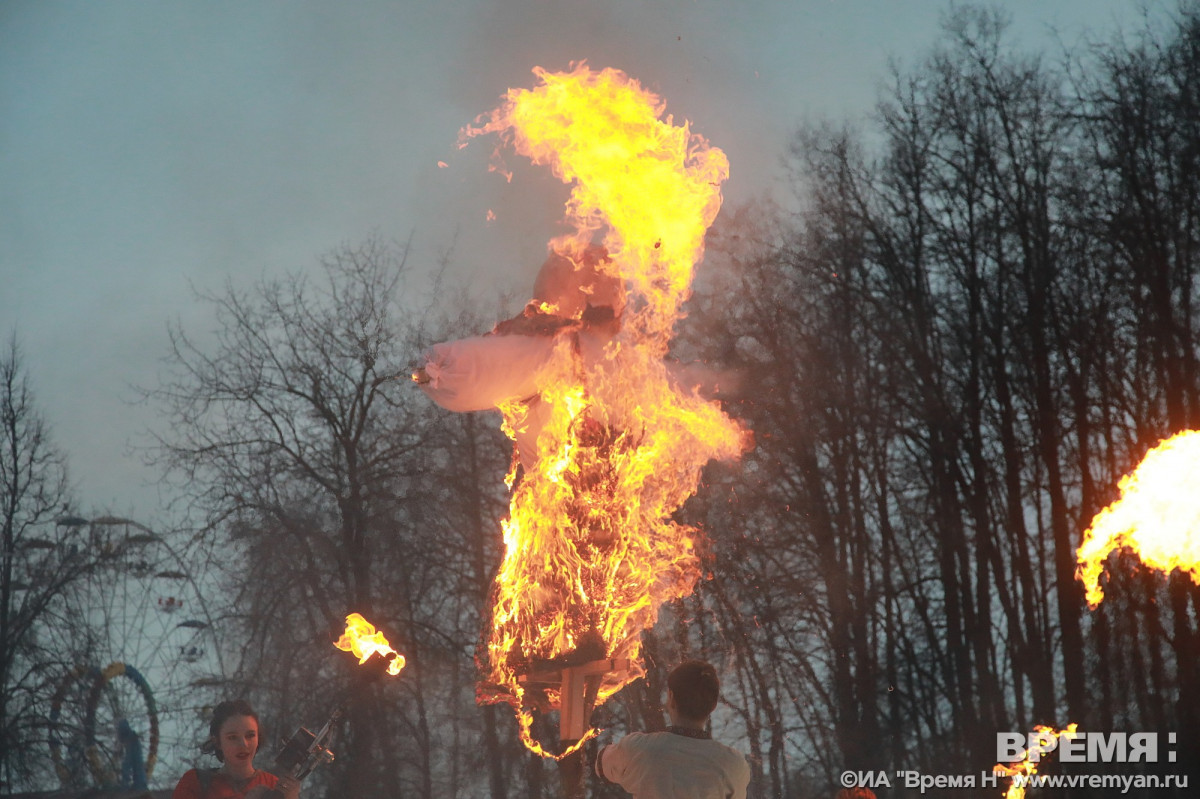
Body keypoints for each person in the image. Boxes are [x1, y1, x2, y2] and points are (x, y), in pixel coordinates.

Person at [596, 659, 751, 798]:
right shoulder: (734, 765)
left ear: (671, 698)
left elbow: (601, 766)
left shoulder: (640, 749)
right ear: (713, 705)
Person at [172, 699, 300, 799]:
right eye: (232, 737)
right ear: (217, 741)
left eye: (250, 735)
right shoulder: (195, 782)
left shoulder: (273, 785)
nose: (244, 744)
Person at [116, 718, 148, 790]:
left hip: (134, 752)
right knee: (136, 766)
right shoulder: (131, 736)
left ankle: (130, 784)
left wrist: (125, 783)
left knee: (133, 765)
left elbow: (128, 762)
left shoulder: (130, 738)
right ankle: (138, 784)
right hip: (134, 751)